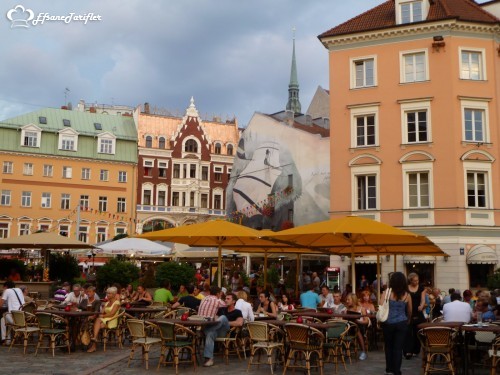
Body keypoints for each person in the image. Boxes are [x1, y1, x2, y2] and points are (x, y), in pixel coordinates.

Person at [380, 272, 411, 375]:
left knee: (388, 347)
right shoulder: (407, 295)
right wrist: (408, 320)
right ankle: (397, 371)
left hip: (388, 323)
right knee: (398, 348)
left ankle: (389, 369)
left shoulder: (386, 293)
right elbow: (410, 310)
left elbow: (380, 306)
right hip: (402, 323)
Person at [202, 292, 244, 367]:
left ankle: (207, 329)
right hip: (217, 330)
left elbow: (240, 323)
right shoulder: (221, 309)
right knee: (210, 334)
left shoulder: (237, 312)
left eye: (228, 299)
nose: (226, 300)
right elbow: (215, 319)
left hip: (227, 332)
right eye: (225, 298)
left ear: (233, 301)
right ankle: (210, 359)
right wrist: (221, 322)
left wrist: (225, 323)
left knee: (223, 317)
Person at [87, 286, 121, 352]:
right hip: (104, 320)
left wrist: (102, 316)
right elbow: (101, 312)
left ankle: (94, 342)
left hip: (112, 320)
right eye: (107, 293)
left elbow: (112, 314)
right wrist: (99, 315)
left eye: (109, 293)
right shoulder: (107, 303)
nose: (107, 295)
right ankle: (94, 341)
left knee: (97, 322)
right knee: (99, 324)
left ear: (113, 295)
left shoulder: (117, 303)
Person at [404, 272, 426, 359]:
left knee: (418, 331)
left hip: (418, 311)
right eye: (415, 281)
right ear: (410, 281)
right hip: (408, 311)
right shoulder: (406, 288)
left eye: (417, 280)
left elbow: (423, 299)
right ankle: (408, 351)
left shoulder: (421, 288)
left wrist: (421, 305)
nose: (416, 282)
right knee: (408, 331)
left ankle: (416, 350)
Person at [345, 292, 369, 361]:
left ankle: (363, 351)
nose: (347, 301)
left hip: (361, 327)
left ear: (353, 300)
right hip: (349, 327)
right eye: (346, 300)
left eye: (348, 300)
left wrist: (358, 322)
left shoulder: (361, 309)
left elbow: (366, 321)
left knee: (357, 329)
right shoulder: (347, 309)